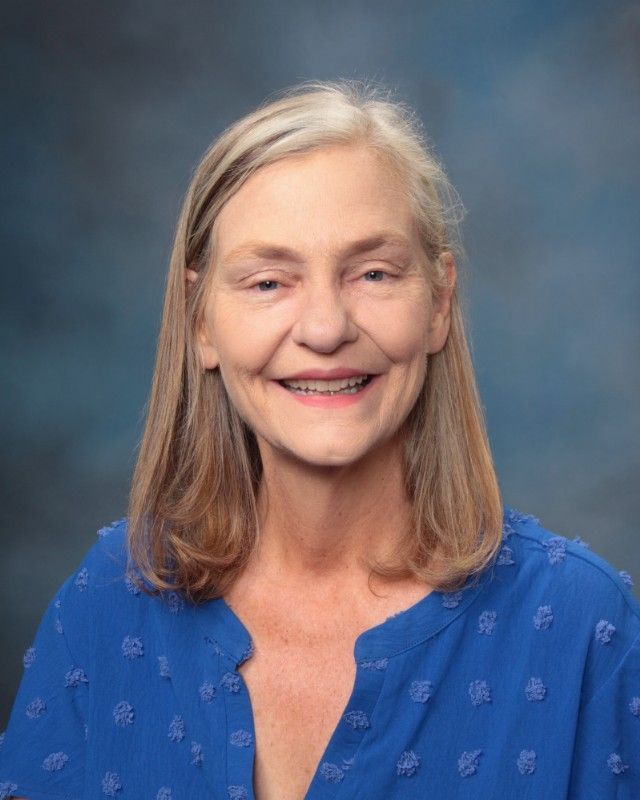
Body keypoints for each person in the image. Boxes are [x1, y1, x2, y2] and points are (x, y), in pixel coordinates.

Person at [0, 79, 638, 800]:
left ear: (438, 304)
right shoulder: (111, 599)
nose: (326, 328)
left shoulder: (584, 628)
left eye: (373, 272)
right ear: (200, 321)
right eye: (270, 282)